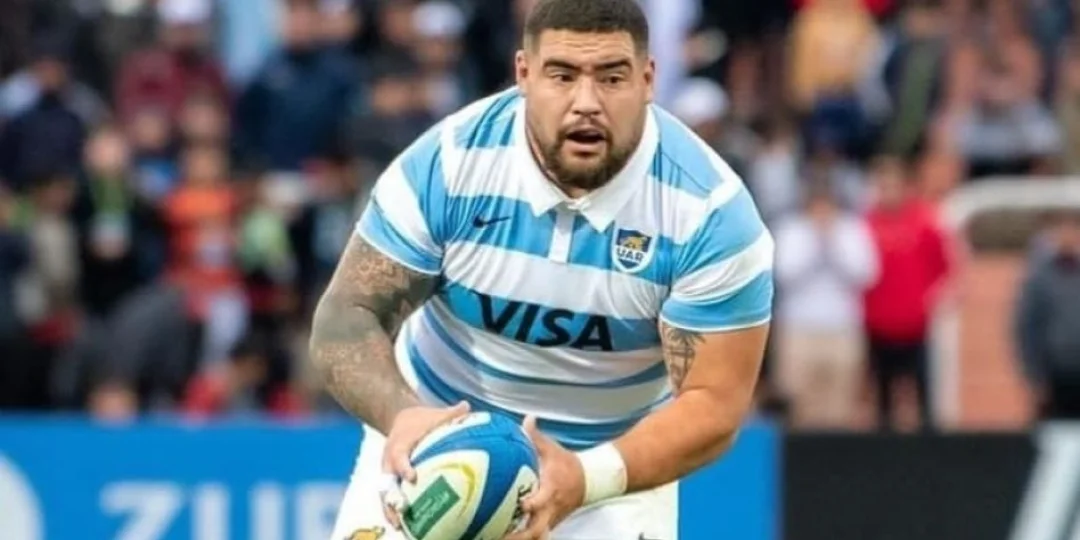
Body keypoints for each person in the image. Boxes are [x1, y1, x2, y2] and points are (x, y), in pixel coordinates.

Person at [310, 1, 774, 538]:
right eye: (562, 75)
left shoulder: (710, 214)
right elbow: (346, 315)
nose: (587, 103)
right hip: (433, 452)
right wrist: (402, 416)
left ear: (648, 80)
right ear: (523, 74)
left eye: (612, 77)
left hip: (607, 475)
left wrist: (587, 477)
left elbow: (714, 405)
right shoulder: (448, 165)